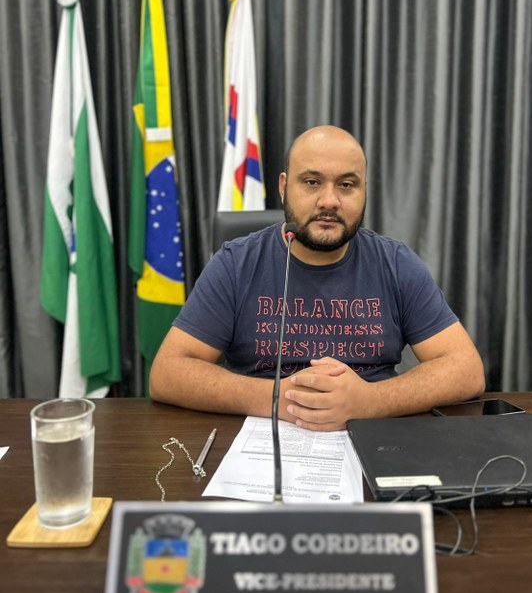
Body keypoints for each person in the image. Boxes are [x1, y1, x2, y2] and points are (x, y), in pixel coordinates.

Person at [150, 125, 485, 431]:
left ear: (364, 191)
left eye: (347, 185)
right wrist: (281, 398)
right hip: (264, 435)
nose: (329, 201)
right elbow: (168, 374)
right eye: (311, 182)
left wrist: (371, 401)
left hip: (371, 434)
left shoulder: (396, 263)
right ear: (284, 187)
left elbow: (466, 370)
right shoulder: (236, 263)